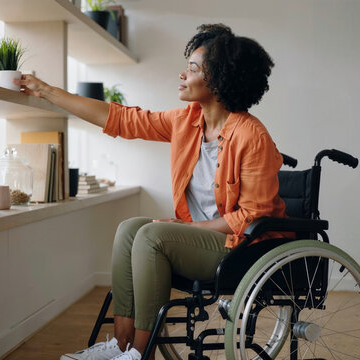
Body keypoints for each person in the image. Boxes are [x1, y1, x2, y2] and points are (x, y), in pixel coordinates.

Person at [16, 23, 290, 360]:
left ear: (217, 80)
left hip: (240, 248)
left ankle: (139, 354)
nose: (182, 74)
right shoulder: (187, 121)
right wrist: (47, 91)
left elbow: (250, 216)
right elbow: (122, 120)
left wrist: (188, 228)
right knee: (130, 229)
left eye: (192, 68)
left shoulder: (252, 136)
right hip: (204, 240)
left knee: (152, 236)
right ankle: (119, 346)